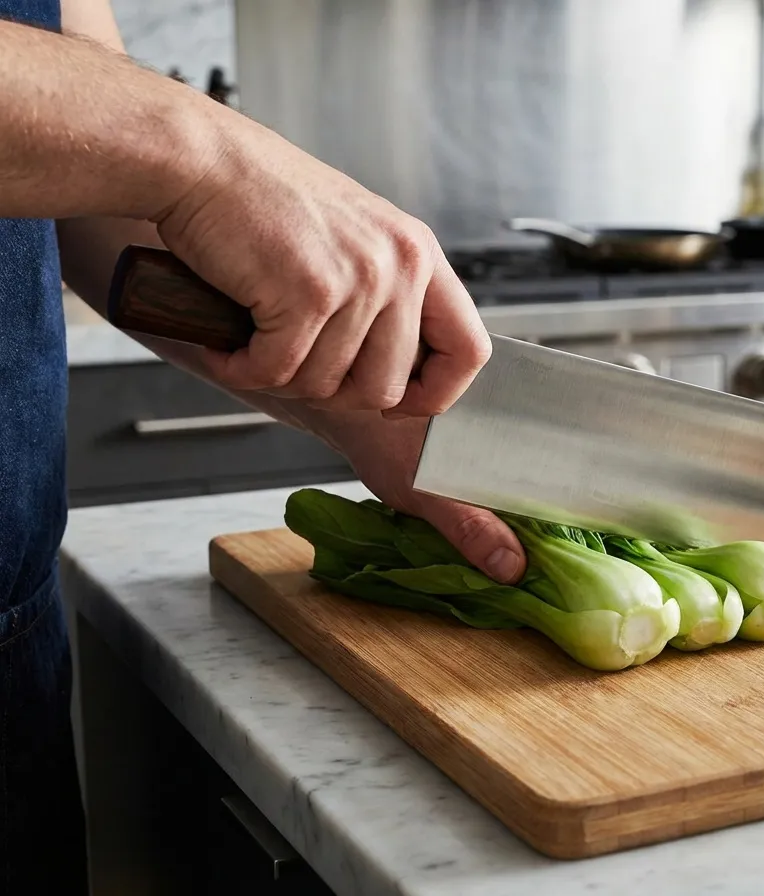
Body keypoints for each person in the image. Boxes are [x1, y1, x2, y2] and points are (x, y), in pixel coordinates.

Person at [0, 1, 528, 889]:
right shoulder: (194, 138)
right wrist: (207, 152)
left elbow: (88, 173)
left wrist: (370, 407)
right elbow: (143, 150)